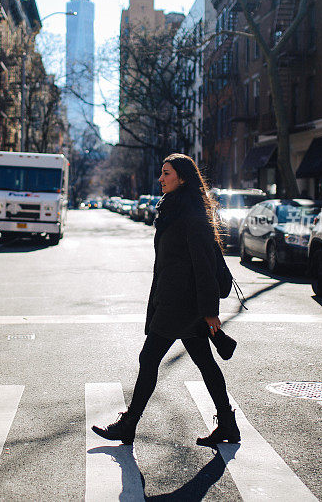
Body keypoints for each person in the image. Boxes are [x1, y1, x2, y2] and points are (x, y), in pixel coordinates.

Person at [92, 153, 240, 448]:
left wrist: (211, 312)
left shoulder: (191, 216)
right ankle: (227, 423)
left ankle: (129, 425)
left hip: (182, 304)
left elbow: (204, 266)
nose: (160, 178)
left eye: (167, 173)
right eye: (161, 172)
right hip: (176, 300)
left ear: (182, 178)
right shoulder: (174, 209)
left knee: (149, 359)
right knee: (205, 363)